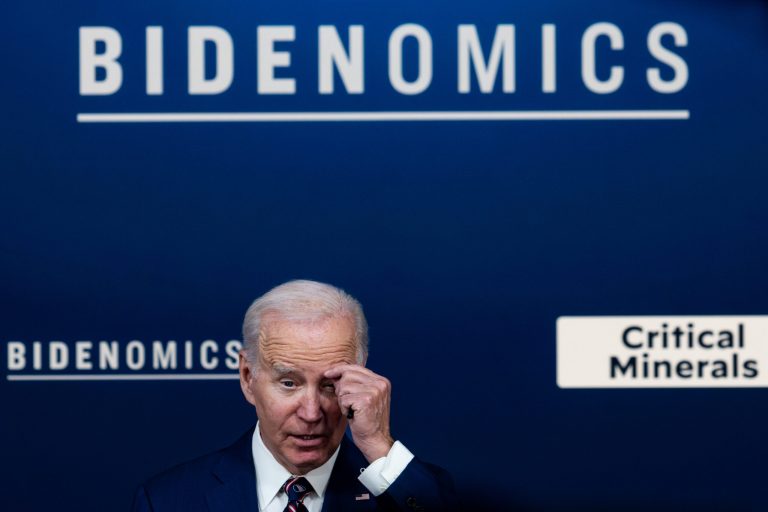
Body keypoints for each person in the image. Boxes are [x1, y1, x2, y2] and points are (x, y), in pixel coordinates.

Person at [132, 279, 459, 511]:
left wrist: (378, 446)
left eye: (331, 385)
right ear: (248, 378)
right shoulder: (167, 501)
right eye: (289, 383)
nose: (311, 413)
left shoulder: (406, 493)